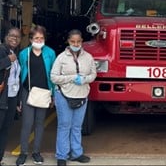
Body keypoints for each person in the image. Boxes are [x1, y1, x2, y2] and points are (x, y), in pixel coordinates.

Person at [50, 29, 97, 166]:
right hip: (64, 95)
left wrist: (83, 79)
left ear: (82, 41)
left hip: (82, 95)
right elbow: (54, 77)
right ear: (68, 42)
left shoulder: (88, 57)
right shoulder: (61, 58)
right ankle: (61, 156)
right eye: (72, 41)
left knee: (77, 126)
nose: (75, 44)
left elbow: (93, 75)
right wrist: (72, 78)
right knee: (64, 126)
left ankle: (76, 153)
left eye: (78, 41)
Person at [16, 25, 56, 166]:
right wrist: (19, 98)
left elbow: (53, 74)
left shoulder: (50, 53)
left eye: (42, 38)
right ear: (31, 39)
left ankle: (36, 152)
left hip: (44, 93)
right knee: (27, 124)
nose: (39, 40)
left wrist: (53, 95)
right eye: (36, 38)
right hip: (28, 92)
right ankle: (23, 153)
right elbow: (21, 75)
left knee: (40, 124)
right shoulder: (24, 53)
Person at [0, 27, 21, 166]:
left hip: (12, 97)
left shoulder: (14, 53)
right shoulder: (2, 50)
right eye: (11, 35)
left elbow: (16, 78)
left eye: (17, 37)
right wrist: (8, 60)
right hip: (2, 97)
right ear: (6, 36)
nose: (14, 38)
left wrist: (18, 100)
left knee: (5, 129)